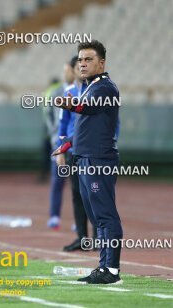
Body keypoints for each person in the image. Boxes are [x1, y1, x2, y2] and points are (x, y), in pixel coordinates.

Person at [53, 40, 123, 284]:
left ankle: (111, 270)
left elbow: (88, 109)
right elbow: (87, 125)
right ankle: (103, 267)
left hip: (98, 160)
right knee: (96, 216)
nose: (82, 63)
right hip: (84, 158)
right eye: (80, 60)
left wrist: (69, 103)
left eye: (88, 59)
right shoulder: (90, 86)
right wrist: (68, 143)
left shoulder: (105, 88)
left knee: (105, 215)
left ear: (101, 63)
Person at [56, 56, 98, 252]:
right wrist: (60, 150)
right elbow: (62, 126)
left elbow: (113, 123)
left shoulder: (99, 93)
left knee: (95, 193)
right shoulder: (68, 93)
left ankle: (99, 238)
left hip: (93, 151)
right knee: (77, 194)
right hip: (73, 151)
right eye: (77, 66)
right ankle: (82, 238)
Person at [43, 78, 66, 230]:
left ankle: (81, 223)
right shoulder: (56, 92)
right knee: (57, 181)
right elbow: (49, 115)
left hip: (77, 146)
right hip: (59, 144)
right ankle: (54, 216)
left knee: (81, 187)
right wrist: (55, 140)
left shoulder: (85, 92)